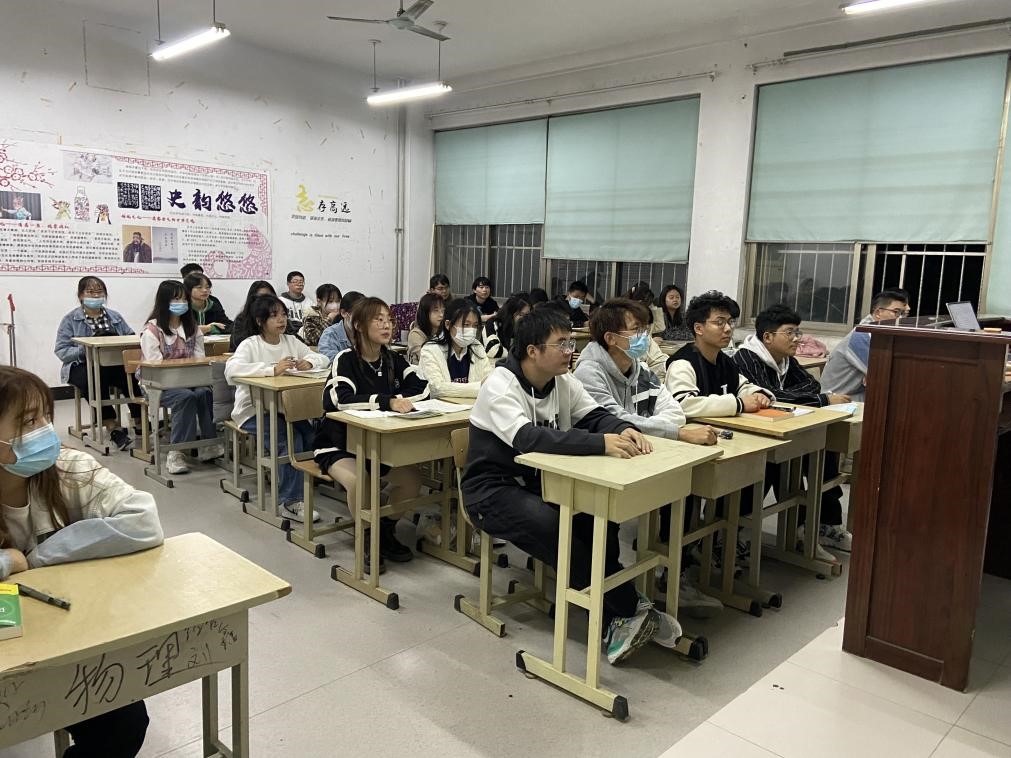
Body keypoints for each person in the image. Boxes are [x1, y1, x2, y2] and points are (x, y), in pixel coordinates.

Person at [462, 307, 683, 664]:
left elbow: (595, 415)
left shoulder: (562, 381)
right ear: (533, 351)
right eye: (561, 344)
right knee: (554, 527)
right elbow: (528, 438)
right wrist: (600, 443)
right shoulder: (500, 384)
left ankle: (615, 617)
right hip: (491, 492)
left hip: (541, 484)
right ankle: (630, 606)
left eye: (570, 342)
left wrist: (621, 428)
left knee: (597, 515)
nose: (570, 350)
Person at [0, 365, 163, 758]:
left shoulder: (68, 469)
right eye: (28, 422)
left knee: (124, 724)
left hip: (61, 637)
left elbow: (144, 521)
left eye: (46, 417)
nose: (45, 431)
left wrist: (39, 557)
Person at [573, 299, 722, 618]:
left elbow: (674, 410)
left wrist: (662, 428)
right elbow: (612, 420)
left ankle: (666, 574)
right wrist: (675, 433)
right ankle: (614, 594)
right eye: (636, 330)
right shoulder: (589, 371)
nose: (645, 337)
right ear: (611, 338)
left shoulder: (638, 368)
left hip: (640, 454)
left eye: (645, 329)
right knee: (607, 523)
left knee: (682, 487)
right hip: (598, 461)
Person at [314, 297, 427, 571]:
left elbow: (422, 388)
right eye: (379, 320)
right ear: (359, 326)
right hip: (339, 444)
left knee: (412, 481)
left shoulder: (393, 359)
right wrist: (386, 401)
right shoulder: (345, 359)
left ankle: (385, 531)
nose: (387, 325)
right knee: (360, 481)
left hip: (378, 445)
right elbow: (338, 399)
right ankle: (366, 536)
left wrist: (397, 399)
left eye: (389, 319)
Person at [734, 304, 853, 557]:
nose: (797, 339)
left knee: (825, 451)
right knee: (782, 463)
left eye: (797, 332)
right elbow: (770, 396)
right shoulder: (746, 358)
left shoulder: (786, 360)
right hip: (755, 435)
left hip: (788, 426)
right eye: (790, 333)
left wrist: (790, 396)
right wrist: (820, 400)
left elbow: (811, 385)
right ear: (768, 336)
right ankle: (740, 533)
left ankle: (821, 526)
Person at [225, 295, 329, 524]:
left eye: (283, 314)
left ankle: (299, 483)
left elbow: (321, 358)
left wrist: (310, 363)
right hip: (253, 411)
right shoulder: (251, 344)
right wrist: (271, 369)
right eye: (274, 316)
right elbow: (231, 370)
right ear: (260, 320)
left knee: (311, 436)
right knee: (288, 439)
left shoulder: (290, 341)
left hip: (284, 408)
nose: (281, 320)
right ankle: (290, 501)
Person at [140, 280, 221, 475]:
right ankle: (176, 452)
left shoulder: (192, 328)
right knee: (185, 397)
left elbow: (200, 359)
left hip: (191, 381)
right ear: (164, 302)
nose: (181, 303)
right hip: (158, 385)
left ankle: (208, 444)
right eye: (176, 299)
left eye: (184, 299)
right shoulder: (152, 331)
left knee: (204, 393)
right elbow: (155, 367)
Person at [55, 276, 141, 451]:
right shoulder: (70, 319)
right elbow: (61, 351)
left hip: (112, 364)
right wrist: (86, 348)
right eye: (90, 292)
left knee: (131, 374)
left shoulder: (115, 317)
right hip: (81, 365)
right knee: (93, 379)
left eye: (99, 292)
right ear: (81, 295)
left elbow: (131, 338)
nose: (95, 296)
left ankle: (140, 420)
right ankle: (112, 427)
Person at [665, 291, 774, 418]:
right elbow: (683, 404)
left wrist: (757, 394)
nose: (728, 329)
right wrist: (738, 404)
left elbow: (740, 386)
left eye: (730, 322)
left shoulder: (725, 361)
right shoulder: (682, 364)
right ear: (698, 328)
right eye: (719, 323)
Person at [821, 288, 910, 402]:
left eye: (903, 314)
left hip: (857, 394)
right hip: (836, 399)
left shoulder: (877, 332)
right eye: (896, 312)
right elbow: (884, 373)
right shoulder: (861, 335)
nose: (901, 318)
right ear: (878, 313)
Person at [419, 298, 494, 398]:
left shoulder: (476, 347)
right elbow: (437, 388)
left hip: (470, 405)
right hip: (441, 406)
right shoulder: (430, 350)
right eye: (466, 325)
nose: (471, 330)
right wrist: (479, 387)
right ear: (448, 324)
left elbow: (489, 382)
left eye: (475, 326)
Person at [230, 280, 280, 351]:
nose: (265, 301)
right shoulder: (242, 320)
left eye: (269, 297)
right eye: (261, 297)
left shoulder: (280, 318)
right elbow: (239, 345)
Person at [318, 291, 364, 363]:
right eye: (358, 314)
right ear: (343, 313)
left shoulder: (370, 332)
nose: (362, 319)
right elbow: (329, 361)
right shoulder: (330, 334)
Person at [483, 292, 531, 361]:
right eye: (521, 314)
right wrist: (516, 353)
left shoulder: (527, 326)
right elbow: (493, 351)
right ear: (510, 313)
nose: (525, 318)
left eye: (527, 315)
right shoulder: (494, 323)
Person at [406, 293, 445, 365]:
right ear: (425, 313)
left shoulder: (443, 331)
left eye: (443, 310)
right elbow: (427, 360)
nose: (441, 315)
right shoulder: (416, 334)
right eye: (436, 311)